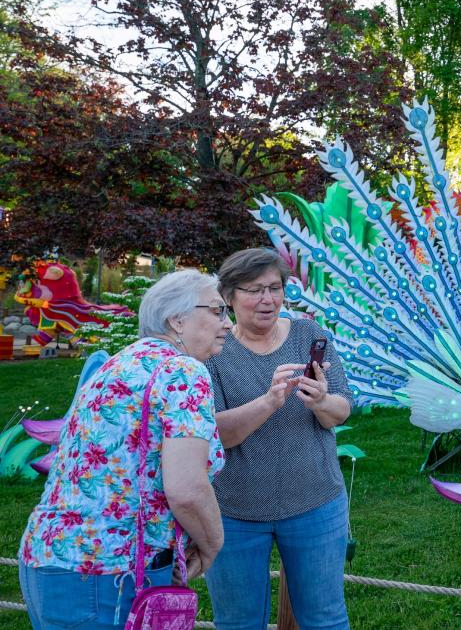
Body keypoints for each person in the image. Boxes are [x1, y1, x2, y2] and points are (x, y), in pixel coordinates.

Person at [18, 269, 230, 628]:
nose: (228, 323)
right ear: (177, 320)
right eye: (218, 311)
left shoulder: (118, 363)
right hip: (109, 574)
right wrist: (212, 545)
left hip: (50, 558)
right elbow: (187, 490)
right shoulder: (183, 371)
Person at [204, 248, 352, 630]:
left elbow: (341, 410)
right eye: (254, 290)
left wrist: (321, 401)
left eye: (275, 288)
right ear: (229, 296)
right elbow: (218, 434)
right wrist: (270, 401)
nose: (268, 299)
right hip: (235, 511)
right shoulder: (214, 352)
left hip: (316, 503)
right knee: (238, 623)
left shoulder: (309, 335)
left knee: (325, 619)